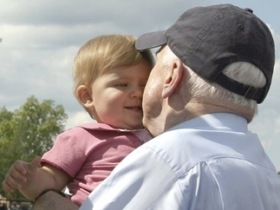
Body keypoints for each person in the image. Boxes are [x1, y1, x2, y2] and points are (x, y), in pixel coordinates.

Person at [32, 4, 280, 210]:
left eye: (155, 65)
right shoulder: (267, 173)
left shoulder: (167, 160)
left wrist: (48, 202)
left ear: (172, 76)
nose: (138, 91)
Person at [2, 34, 153, 207]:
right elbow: (51, 179)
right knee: (51, 203)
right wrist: (28, 179)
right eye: (122, 85)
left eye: (145, 84)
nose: (138, 93)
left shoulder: (160, 132)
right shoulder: (81, 138)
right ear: (87, 96)